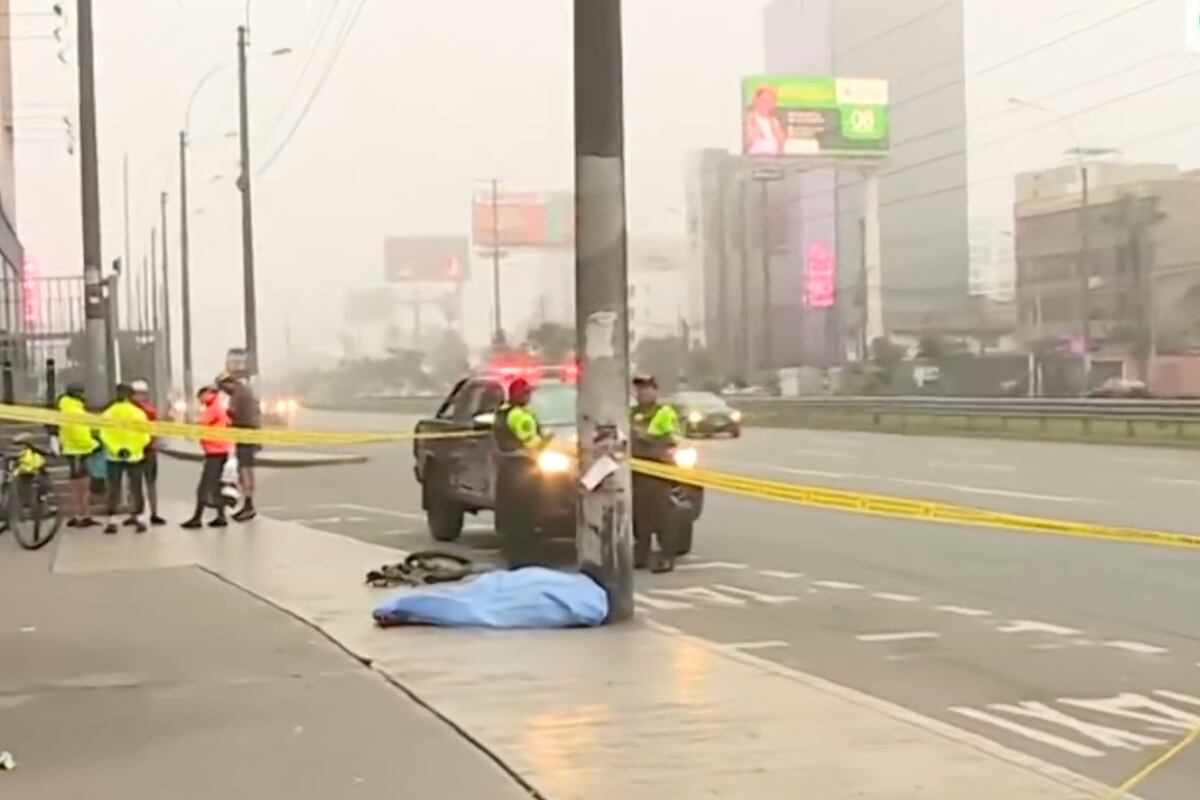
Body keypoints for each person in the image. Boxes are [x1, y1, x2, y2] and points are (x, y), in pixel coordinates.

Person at [630, 373, 683, 573]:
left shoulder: (664, 412)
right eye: (639, 389)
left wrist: (646, 437)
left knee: (662, 515)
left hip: (658, 470)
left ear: (655, 391)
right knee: (639, 515)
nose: (642, 393)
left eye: (646, 388)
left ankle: (666, 556)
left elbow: (674, 438)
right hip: (637, 470)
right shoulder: (631, 413)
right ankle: (641, 554)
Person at [492, 377, 545, 566]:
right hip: (522, 470)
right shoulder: (518, 416)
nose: (528, 397)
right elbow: (532, 442)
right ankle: (524, 558)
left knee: (511, 516)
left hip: (508, 470)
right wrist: (548, 442)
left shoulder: (503, 413)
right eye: (525, 393)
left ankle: (515, 555)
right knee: (525, 516)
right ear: (515, 394)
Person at [98, 383, 151, 534]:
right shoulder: (139, 413)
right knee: (136, 488)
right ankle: (139, 519)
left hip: (114, 456)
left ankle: (112, 521)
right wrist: (131, 450)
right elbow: (145, 435)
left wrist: (117, 450)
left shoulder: (109, 413)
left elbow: (104, 434)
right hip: (135, 456)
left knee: (113, 488)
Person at [182, 385, 232, 529]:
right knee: (217, 486)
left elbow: (202, 426)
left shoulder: (212, 408)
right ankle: (221, 516)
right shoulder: (218, 406)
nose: (200, 400)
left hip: (215, 452)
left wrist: (191, 428)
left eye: (200, 397)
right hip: (221, 450)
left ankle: (197, 518)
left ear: (206, 394)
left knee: (204, 487)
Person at [217, 372, 260, 522]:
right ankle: (248, 504)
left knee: (244, 469)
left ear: (228, 383)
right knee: (248, 469)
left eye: (223, 388)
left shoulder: (238, 394)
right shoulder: (245, 391)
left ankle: (248, 505)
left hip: (244, 434)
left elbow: (233, 413)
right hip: (251, 433)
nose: (224, 391)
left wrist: (224, 415)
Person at [55, 382, 98, 528]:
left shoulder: (66, 407)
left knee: (75, 485)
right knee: (82, 487)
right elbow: (79, 433)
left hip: (71, 450)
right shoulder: (74, 409)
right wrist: (94, 444)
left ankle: (76, 515)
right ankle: (83, 515)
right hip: (79, 451)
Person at [130, 379, 166, 526]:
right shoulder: (138, 410)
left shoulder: (148, 410)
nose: (140, 396)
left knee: (147, 483)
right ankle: (139, 513)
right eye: (138, 394)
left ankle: (152, 513)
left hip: (147, 450)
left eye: (143, 393)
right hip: (139, 449)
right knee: (136, 484)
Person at [743, 85, 787, 155]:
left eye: (771, 101)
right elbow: (747, 143)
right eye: (764, 100)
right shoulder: (749, 118)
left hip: (773, 159)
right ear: (756, 100)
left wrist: (779, 136)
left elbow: (781, 147)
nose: (767, 104)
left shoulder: (774, 121)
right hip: (755, 159)